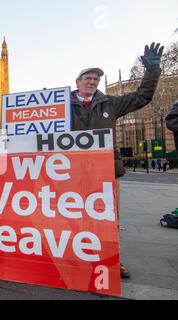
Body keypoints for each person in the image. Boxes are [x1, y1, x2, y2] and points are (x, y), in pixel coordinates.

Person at [70, 42, 164, 279]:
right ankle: (74, 257)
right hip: (73, 172)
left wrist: (152, 72)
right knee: (73, 216)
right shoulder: (61, 106)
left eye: (96, 79)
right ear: (77, 81)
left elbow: (142, 97)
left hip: (107, 171)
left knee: (109, 218)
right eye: (88, 78)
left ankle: (111, 260)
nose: (92, 81)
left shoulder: (110, 103)